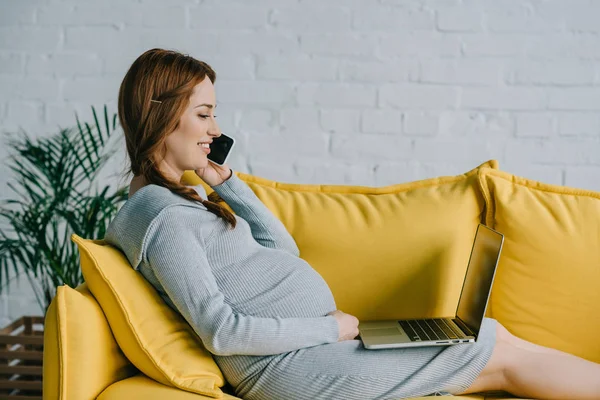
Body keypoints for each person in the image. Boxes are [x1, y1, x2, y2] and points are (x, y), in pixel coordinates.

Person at [104, 48, 600, 400]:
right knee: (496, 355)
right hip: (289, 370)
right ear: (161, 114)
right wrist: (328, 330)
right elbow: (221, 333)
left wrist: (227, 183)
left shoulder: (183, 200)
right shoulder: (159, 217)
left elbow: (285, 252)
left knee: (490, 334)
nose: (216, 129)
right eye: (205, 114)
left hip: (310, 352)